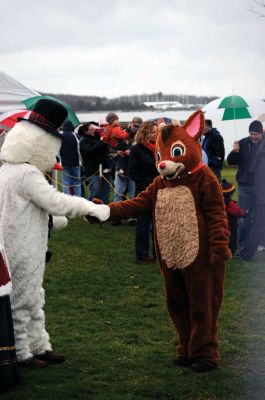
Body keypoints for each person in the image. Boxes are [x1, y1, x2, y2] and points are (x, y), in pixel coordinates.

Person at [0, 99, 110, 368]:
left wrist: (57, 217)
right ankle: (23, 352)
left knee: (34, 296)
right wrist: (91, 208)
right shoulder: (27, 173)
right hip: (22, 244)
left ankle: (40, 345)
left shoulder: (8, 170)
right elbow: (55, 200)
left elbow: (41, 203)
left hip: (18, 241)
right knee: (23, 299)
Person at [227, 120, 264, 250]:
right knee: (243, 217)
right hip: (245, 185)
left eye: (256, 134)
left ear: (261, 133)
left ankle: (261, 243)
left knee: (260, 215)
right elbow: (231, 162)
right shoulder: (242, 143)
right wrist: (234, 152)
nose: (253, 136)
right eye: (251, 134)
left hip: (261, 186)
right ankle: (243, 243)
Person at [129, 120, 159, 261]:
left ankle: (158, 252)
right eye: (153, 132)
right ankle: (142, 253)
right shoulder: (137, 148)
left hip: (160, 190)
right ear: (145, 132)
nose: (156, 134)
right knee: (143, 222)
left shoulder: (160, 147)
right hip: (144, 191)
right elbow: (133, 172)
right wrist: (145, 184)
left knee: (159, 223)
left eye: (157, 131)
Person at [240, 125, 265, 260]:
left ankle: (247, 252)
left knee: (259, 223)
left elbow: (253, 169)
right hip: (261, 191)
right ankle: (247, 252)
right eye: (252, 133)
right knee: (259, 223)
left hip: (259, 189)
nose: (253, 136)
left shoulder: (261, 148)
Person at [79, 122, 111, 204]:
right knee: (95, 192)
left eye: (94, 128)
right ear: (86, 132)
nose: (94, 130)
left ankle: (104, 209)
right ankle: (89, 210)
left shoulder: (97, 136)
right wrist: (101, 141)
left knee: (106, 192)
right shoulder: (83, 141)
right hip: (93, 171)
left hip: (104, 168)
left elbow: (104, 148)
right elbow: (91, 151)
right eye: (91, 129)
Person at [221, 179, 247, 257]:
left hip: (221, 224)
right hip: (231, 226)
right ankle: (232, 252)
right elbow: (238, 212)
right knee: (233, 239)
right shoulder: (230, 203)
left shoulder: (219, 202)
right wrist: (245, 213)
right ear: (230, 193)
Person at [102, 112, 129, 178]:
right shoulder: (116, 128)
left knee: (117, 157)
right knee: (122, 156)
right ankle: (121, 170)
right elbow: (122, 136)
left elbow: (105, 139)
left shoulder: (108, 128)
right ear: (113, 121)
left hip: (114, 145)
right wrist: (126, 133)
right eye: (117, 119)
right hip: (120, 144)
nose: (118, 121)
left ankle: (110, 168)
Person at [60, 120, 81, 197]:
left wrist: (59, 160)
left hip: (64, 162)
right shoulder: (75, 135)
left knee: (65, 183)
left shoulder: (61, 135)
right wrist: (80, 161)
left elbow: (58, 149)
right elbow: (78, 149)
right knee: (77, 183)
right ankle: (78, 199)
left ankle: (66, 199)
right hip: (75, 162)